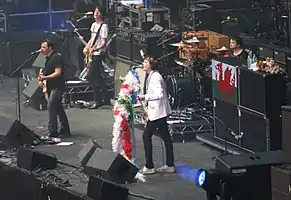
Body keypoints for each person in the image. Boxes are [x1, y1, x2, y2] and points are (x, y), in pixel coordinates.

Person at [138, 55, 175, 175]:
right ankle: (170, 164)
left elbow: (159, 94)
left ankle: (149, 166)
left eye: (145, 62)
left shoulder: (155, 78)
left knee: (146, 136)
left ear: (151, 64)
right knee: (165, 136)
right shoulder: (152, 75)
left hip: (158, 112)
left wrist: (145, 97)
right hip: (158, 111)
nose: (142, 64)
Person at [38, 39, 71, 137]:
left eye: (44, 47)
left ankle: (53, 131)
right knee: (58, 107)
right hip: (51, 86)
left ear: (50, 48)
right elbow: (44, 72)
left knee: (51, 106)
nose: (41, 49)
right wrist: (41, 79)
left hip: (57, 86)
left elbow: (58, 72)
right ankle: (65, 129)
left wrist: (45, 78)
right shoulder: (48, 58)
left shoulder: (56, 57)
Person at [83, 5, 108, 109]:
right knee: (98, 77)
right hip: (92, 54)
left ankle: (97, 100)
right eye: (95, 12)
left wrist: (95, 49)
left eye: (98, 12)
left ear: (101, 14)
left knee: (91, 77)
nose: (95, 14)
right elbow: (91, 38)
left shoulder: (104, 26)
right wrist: (87, 47)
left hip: (98, 54)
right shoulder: (93, 25)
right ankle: (105, 98)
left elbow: (103, 42)